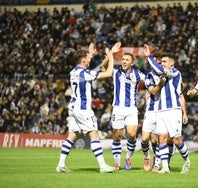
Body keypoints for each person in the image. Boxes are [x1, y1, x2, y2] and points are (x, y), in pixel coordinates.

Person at [56, 43, 115, 173]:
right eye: (88, 58)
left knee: (72, 136)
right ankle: (103, 166)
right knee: (94, 134)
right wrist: (111, 57)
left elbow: (92, 67)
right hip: (83, 110)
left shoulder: (74, 72)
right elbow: (108, 73)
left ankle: (60, 164)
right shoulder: (84, 73)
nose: (90, 60)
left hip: (73, 108)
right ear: (83, 60)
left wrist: (91, 54)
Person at [143, 44, 191, 174]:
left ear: (172, 63)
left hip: (173, 110)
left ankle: (186, 160)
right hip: (160, 110)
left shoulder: (175, 72)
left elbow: (159, 69)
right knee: (162, 138)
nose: (162, 64)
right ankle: (164, 167)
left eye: (165, 62)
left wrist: (149, 56)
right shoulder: (161, 75)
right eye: (161, 62)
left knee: (176, 139)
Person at [102, 42, 146, 170]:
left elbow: (150, 80)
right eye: (123, 59)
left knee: (132, 135)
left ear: (132, 63)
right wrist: (111, 53)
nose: (124, 61)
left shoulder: (138, 74)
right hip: (118, 108)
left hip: (132, 109)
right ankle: (116, 162)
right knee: (117, 135)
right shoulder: (116, 72)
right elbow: (104, 65)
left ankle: (128, 157)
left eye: (127, 59)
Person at [140, 52, 166, 172]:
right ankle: (146, 157)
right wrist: (161, 83)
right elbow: (153, 91)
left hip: (162, 111)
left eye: (160, 61)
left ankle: (156, 163)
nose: (158, 63)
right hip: (150, 111)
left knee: (158, 139)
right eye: (156, 61)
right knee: (145, 139)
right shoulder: (149, 76)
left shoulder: (168, 74)